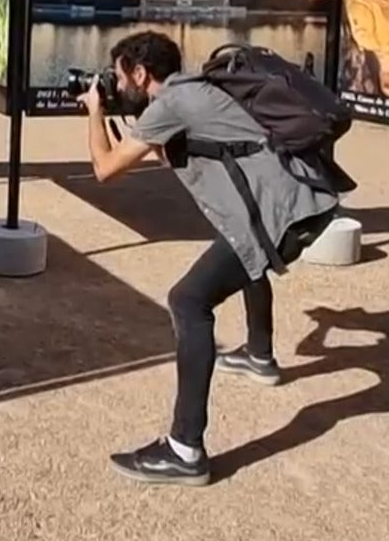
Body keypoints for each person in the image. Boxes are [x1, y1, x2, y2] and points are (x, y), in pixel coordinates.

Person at [78, 31, 346, 486]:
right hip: (300, 203)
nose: (115, 85)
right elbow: (173, 155)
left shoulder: (171, 104)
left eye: (119, 77)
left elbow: (104, 169)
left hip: (284, 214)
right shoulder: (191, 91)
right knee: (239, 248)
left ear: (140, 73)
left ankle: (185, 449)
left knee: (188, 301)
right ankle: (258, 355)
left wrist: (94, 112)